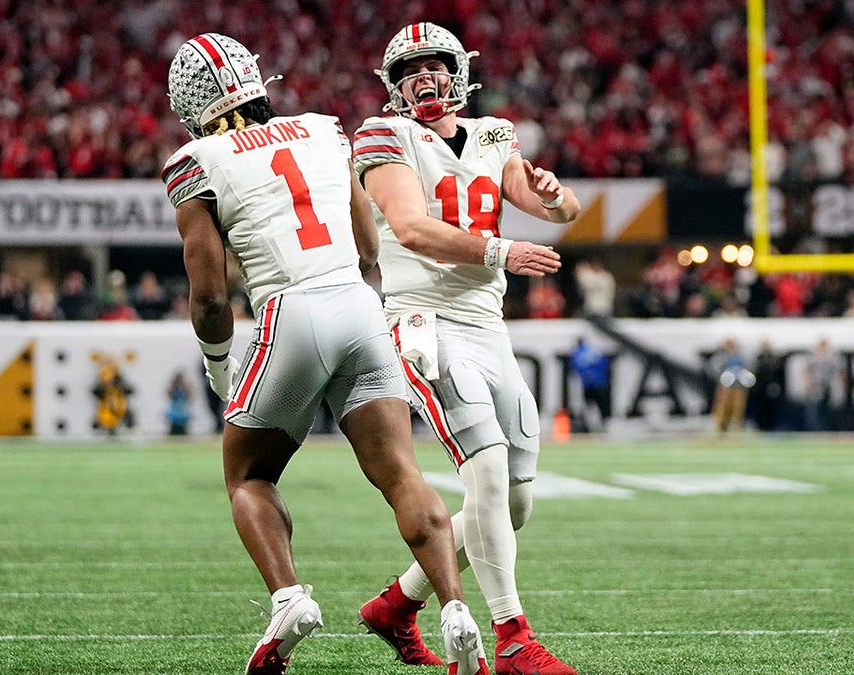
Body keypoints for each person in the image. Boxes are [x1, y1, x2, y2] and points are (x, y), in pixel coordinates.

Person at [164, 33, 489, 675]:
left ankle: (289, 600)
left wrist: (218, 364)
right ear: (255, 78)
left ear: (188, 100)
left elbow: (207, 295)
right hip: (358, 303)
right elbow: (368, 239)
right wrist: (355, 286)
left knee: (248, 476)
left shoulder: (194, 160)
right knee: (403, 475)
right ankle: (454, 607)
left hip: (289, 311)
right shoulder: (319, 128)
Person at [352, 22, 580, 675]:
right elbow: (411, 227)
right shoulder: (384, 133)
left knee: (513, 500)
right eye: (411, 71)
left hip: (486, 325)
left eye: (436, 67)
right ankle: (512, 636)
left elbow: (551, 206)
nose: (425, 79)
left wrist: (553, 196)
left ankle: (397, 602)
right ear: (394, 85)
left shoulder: (493, 131)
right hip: (424, 318)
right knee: (481, 469)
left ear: (459, 73)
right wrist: (503, 249)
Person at [709, 337, 755, 434]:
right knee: (722, 406)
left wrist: (743, 377)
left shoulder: (741, 356)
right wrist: (722, 376)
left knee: (738, 407)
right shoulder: (721, 356)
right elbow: (714, 368)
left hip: (738, 386)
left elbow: (750, 367)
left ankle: (735, 427)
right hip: (725, 387)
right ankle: (719, 427)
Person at [570, 338, 611, 433]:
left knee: (590, 406)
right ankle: (603, 425)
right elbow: (605, 364)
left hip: (588, 385)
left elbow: (575, 368)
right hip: (600, 383)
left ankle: (592, 426)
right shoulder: (595, 351)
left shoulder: (578, 353)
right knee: (601, 406)